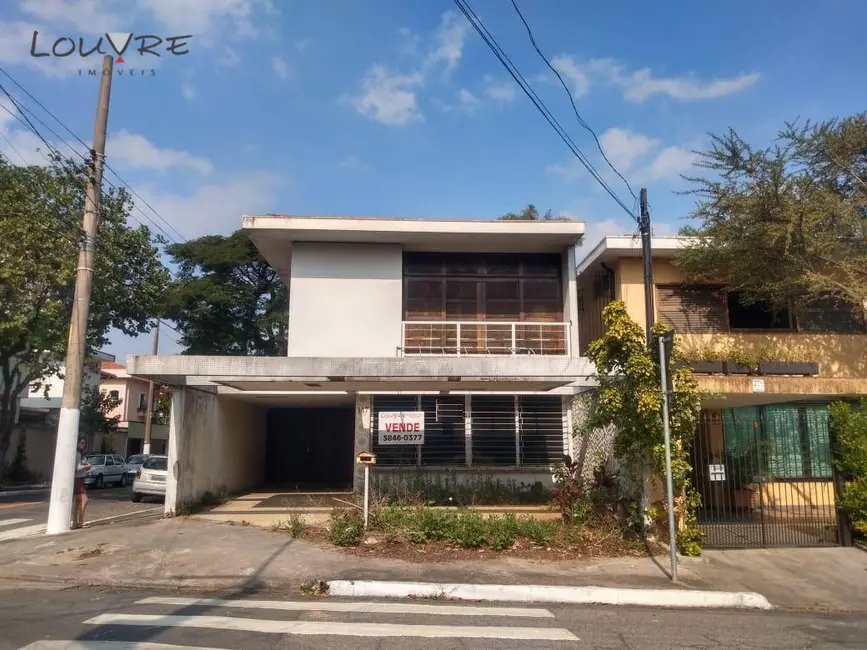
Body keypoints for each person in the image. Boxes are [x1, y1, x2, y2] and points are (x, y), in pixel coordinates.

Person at [72, 437, 91, 530]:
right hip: (78, 479)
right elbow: (77, 468)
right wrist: (87, 466)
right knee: (84, 500)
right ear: (77, 443)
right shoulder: (77, 453)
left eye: (84, 443)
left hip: (80, 479)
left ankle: (75, 523)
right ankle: (80, 522)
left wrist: (86, 467)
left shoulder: (81, 454)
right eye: (82, 443)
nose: (84, 445)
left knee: (77, 501)